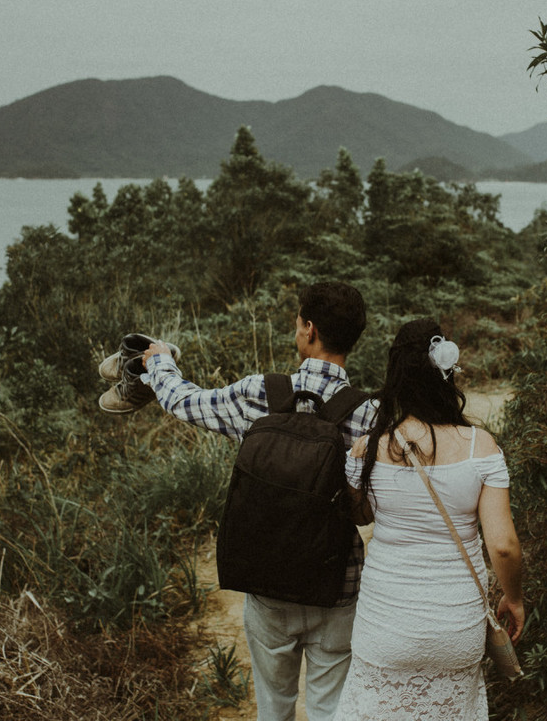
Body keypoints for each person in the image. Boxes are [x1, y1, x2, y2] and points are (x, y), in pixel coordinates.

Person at [135, 281, 377, 721]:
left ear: (309, 329)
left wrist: (160, 363)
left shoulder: (261, 393)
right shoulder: (369, 415)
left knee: (274, 707)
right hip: (338, 587)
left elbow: (184, 401)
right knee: (331, 710)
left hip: (268, 584)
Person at [333, 318, 523, 720]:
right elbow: (503, 545)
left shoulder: (370, 448)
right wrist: (515, 598)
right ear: (447, 373)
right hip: (456, 623)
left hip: (385, 623)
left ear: (396, 377)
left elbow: (361, 515)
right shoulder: (481, 447)